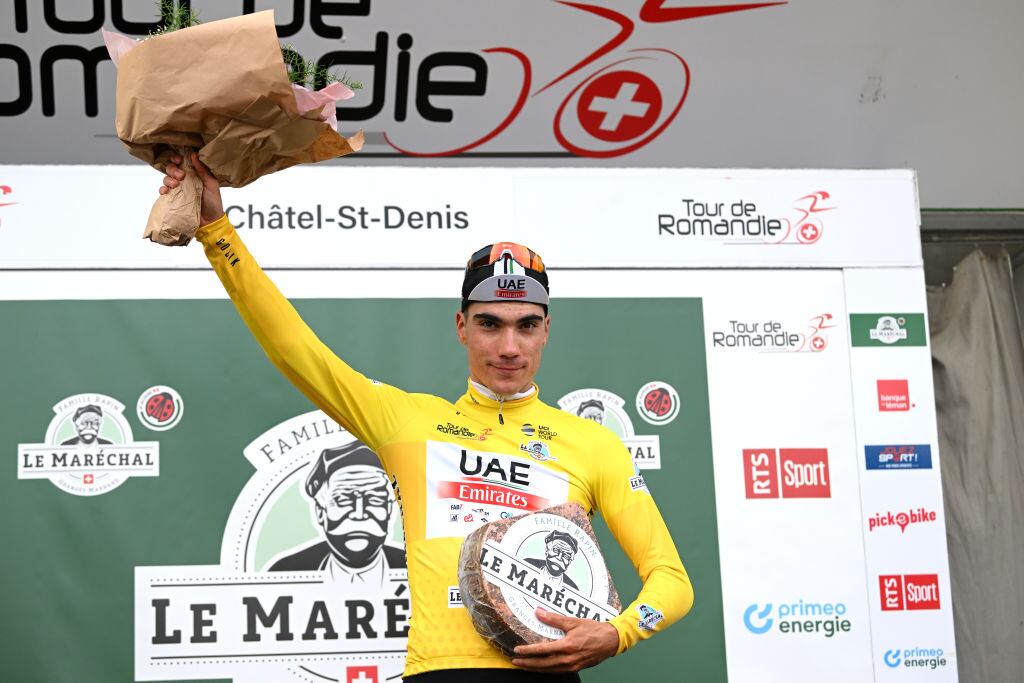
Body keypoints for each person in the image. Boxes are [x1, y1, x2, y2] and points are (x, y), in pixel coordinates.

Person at [159, 154, 693, 682]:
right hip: (437, 671)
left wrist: (620, 631)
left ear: (546, 330)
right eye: (490, 324)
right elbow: (294, 349)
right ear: (462, 327)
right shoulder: (407, 421)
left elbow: (671, 581)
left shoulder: (593, 443)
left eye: (526, 326)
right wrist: (216, 230)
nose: (509, 346)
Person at [269, 441, 407, 582]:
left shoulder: (413, 567)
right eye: (343, 500)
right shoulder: (285, 572)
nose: (359, 515)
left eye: (374, 500)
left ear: (389, 510)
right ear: (320, 512)